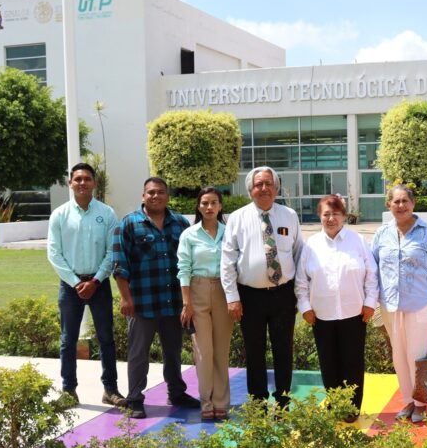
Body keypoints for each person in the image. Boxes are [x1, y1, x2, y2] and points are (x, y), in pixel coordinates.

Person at [112, 176, 198, 419]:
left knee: (173, 351)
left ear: (167, 196)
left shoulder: (180, 223)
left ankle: (176, 392)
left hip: (173, 302)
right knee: (138, 353)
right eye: (150, 192)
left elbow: (189, 262)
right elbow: (119, 264)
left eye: (160, 192)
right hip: (142, 303)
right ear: (143, 196)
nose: (155, 196)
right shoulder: (128, 224)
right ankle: (135, 398)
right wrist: (126, 298)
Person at [221, 166, 302, 406]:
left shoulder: (289, 215)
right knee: (254, 351)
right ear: (250, 190)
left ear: (276, 188)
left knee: (283, 349)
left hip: (283, 294)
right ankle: (258, 404)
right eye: (258, 185)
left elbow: (299, 254)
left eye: (269, 184)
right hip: (250, 296)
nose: (264, 188)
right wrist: (232, 298)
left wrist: (299, 294)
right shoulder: (237, 218)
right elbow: (227, 260)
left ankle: (283, 402)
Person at [295, 194, 378, 422]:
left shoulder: (358, 241)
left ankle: (351, 408)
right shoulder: (311, 245)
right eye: (326, 214)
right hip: (321, 315)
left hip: (355, 313)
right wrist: (305, 307)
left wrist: (370, 303)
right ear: (319, 216)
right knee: (328, 363)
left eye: (336, 214)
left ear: (344, 216)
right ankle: (335, 404)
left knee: (353, 363)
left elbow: (372, 275)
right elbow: (301, 281)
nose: (331, 219)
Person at [371, 185, 427, 423]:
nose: (401, 206)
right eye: (396, 201)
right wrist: (371, 302)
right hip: (390, 305)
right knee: (399, 355)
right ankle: (408, 400)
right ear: (388, 205)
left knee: (419, 355)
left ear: (413, 204)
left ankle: (421, 403)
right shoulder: (381, 233)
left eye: (405, 201)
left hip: (421, 303)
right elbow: (373, 268)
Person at [46, 163, 121, 409]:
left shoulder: (107, 214)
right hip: (71, 286)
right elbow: (54, 254)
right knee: (68, 340)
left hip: (99, 285)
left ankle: (110, 389)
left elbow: (112, 252)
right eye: (77, 179)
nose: (82, 183)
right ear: (70, 183)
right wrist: (78, 282)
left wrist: (96, 280)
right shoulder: (60, 215)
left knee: (106, 338)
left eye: (87, 179)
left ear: (94, 183)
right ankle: (69, 390)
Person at [177, 187, 233, 421]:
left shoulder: (229, 233)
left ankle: (221, 402)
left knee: (221, 349)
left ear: (220, 206)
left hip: (224, 290)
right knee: (203, 351)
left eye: (213, 203)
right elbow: (183, 268)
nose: (209, 207)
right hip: (197, 291)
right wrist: (186, 303)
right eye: (204, 203)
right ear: (198, 207)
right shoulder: (189, 235)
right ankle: (206, 401)